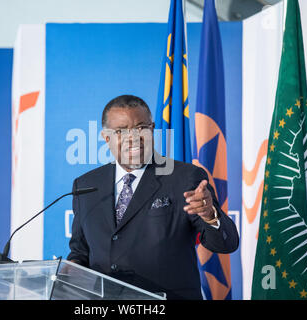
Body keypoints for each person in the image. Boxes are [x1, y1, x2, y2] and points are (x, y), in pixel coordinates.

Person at [67, 95, 239, 300]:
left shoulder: (184, 178)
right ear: (106, 138)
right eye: (121, 131)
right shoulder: (86, 185)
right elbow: (79, 252)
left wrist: (210, 216)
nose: (133, 138)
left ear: (152, 129)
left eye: (141, 128)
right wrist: (68, 273)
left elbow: (225, 244)